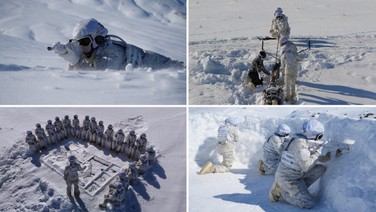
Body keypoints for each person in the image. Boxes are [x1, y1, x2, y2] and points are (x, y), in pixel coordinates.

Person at [50, 18, 184, 71]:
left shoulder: (112, 52)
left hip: (155, 62)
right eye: (76, 42)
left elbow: (100, 80)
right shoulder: (92, 52)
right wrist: (71, 58)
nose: (81, 46)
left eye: (84, 42)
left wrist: (76, 61)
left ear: (98, 39)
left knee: (180, 68)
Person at [269, 120, 326, 209]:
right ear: (314, 135)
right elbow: (306, 166)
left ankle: (297, 191)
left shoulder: (301, 139)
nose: (320, 138)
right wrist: (318, 152)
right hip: (287, 178)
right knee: (308, 203)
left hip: (296, 173)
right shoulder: (300, 144)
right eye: (320, 136)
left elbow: (309, 156)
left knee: (320, 169)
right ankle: (283, 192)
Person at [280, 36, 300, 103]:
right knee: (293, 84)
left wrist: (282, 71)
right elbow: (299, 59)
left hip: (288, 71)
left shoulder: (284, 55)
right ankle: (293, 96)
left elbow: (283, 65)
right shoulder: (294, 54)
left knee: (287, 84)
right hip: (295, 70)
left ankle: (287, 97)